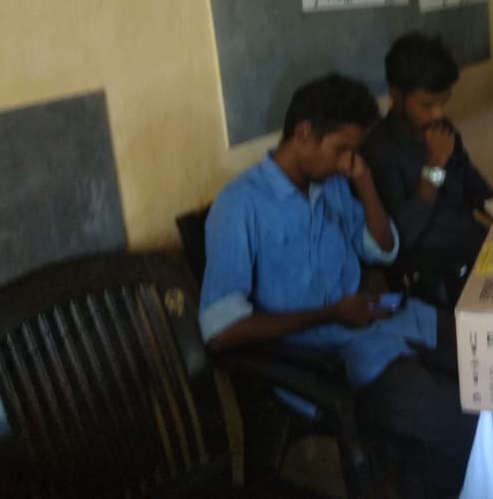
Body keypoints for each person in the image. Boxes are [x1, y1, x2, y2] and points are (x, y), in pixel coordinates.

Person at [198, 72, 476, 495]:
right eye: (341, 149)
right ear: (304, 134)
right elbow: (221, 330)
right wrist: (329, 314)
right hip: (335, 360)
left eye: (354, 151)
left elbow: (383, 249)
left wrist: (362, 180)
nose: (347, 160)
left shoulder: (329, 185)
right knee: (465, 422)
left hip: (389, 318)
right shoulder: (239, 206)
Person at [361, 32, 493, 307]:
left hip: (475, 250)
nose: (437, 114)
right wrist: (433, 167)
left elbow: (477, 190)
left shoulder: (444, 130)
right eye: (426, 104)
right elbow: (399, 241)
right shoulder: (378, 150)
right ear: (396, 95)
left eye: (443, 102)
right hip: (430, 276)